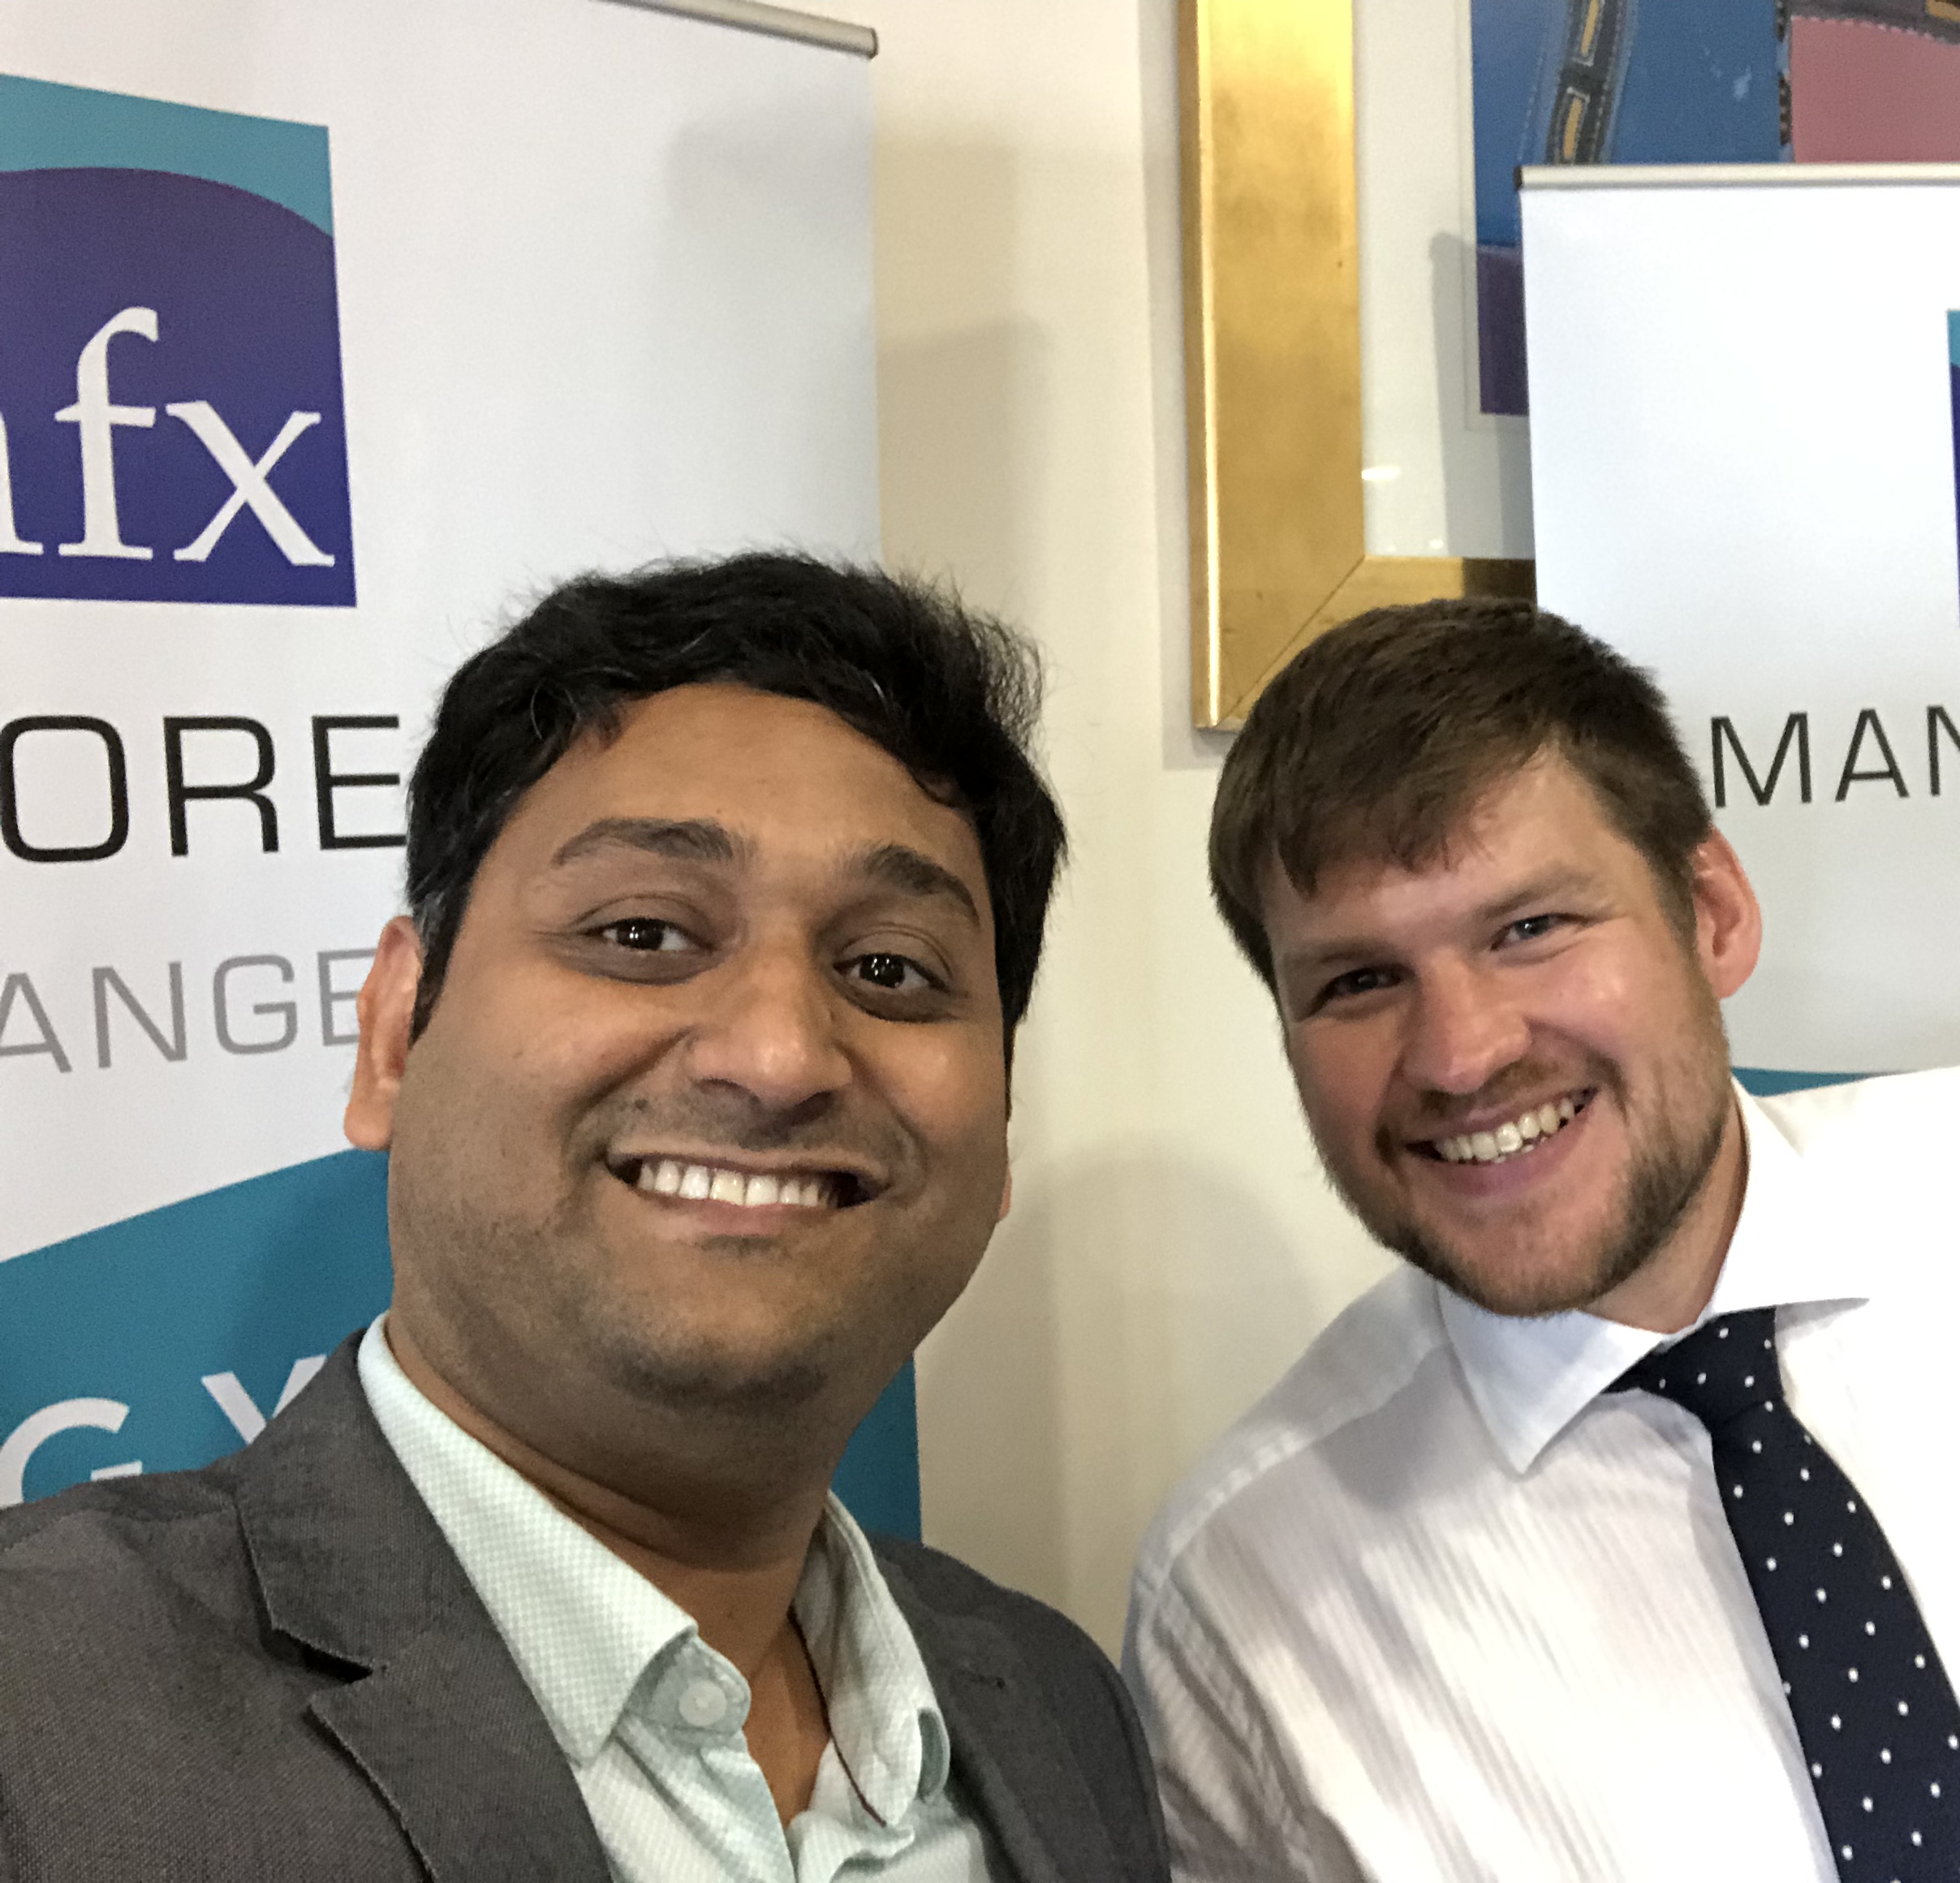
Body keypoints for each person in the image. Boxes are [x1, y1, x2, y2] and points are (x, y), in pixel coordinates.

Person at [1122, 597, 1960, 1883]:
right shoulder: (1242, 1593)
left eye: (1530, 927)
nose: (1461, 1053)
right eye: (1359, 981)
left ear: (1713, 914)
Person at [0, 554, 1169, 1883]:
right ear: (395, 1034)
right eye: (643, 935)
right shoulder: (38, 1716)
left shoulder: (1059, 1705)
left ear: (1001, 1125)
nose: (780, 1054)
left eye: (890, 968)